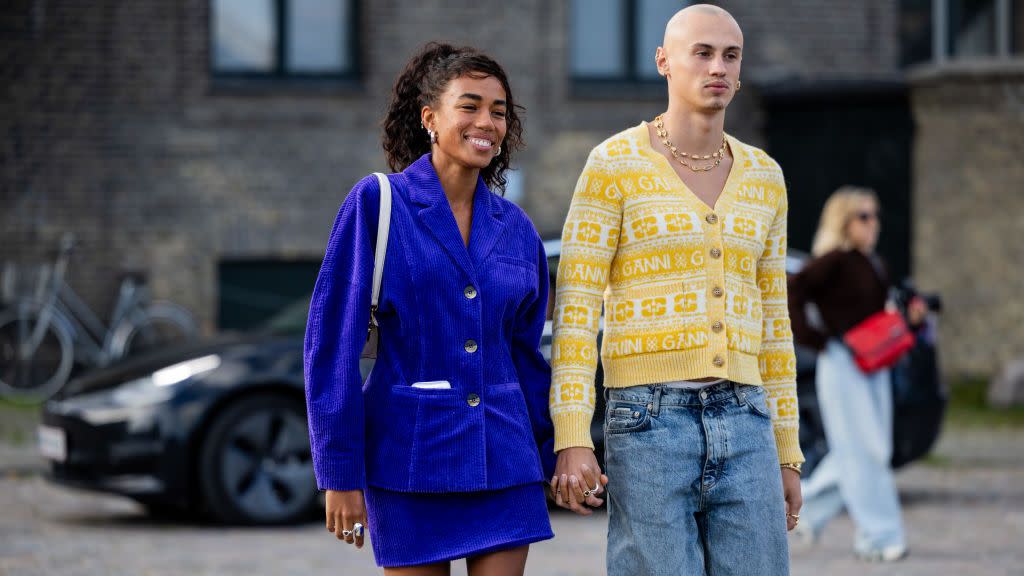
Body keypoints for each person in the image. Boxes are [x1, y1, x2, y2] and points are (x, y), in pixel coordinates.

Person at [549, 5, 803, 575]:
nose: (718, 67)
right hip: (646, 420)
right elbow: (575, 310)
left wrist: (787, 450)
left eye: (730, 56)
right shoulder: (613, 163)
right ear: (664, 61)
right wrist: (573, 435)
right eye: (703, 52)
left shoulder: (765, 176)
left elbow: (774, 322)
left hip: (746, 415)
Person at [304, 42, 555, 575]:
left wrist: (557, 454)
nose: (486, 121)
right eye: (469, 105)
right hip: (410, 459)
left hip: (505, 457)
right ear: (430, 119)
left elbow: (527, 357)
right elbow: (331, 347)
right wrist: (340, 473)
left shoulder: (516, 230)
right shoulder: (377, 204)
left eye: (499, 111)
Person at [788, 186, 927, 562]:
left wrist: (910, 317)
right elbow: (792, 291)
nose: (873, 224)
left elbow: (877, 314)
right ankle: (879, 537)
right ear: (844, 221)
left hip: (873, 364)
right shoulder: (834, 260)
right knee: (864, 450)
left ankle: (806, 511)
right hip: (843, 365)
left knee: (868, 449)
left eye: (875, 215)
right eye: (863, 216)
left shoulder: (873, 262)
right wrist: (818, 340)